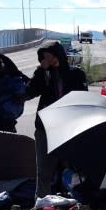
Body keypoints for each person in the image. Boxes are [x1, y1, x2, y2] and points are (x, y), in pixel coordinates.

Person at [25, 41, 88, 198]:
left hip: (69, 128)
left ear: (57, 54)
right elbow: (29, 92)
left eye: (49, 55)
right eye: (43, 56)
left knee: (72, 169)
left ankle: (75, 204)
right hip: (45, 128)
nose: (47, 59)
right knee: (44, 170)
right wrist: (41, 70)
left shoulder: (75, 74)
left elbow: (84, 99)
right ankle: (41, 205)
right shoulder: (44, 74)